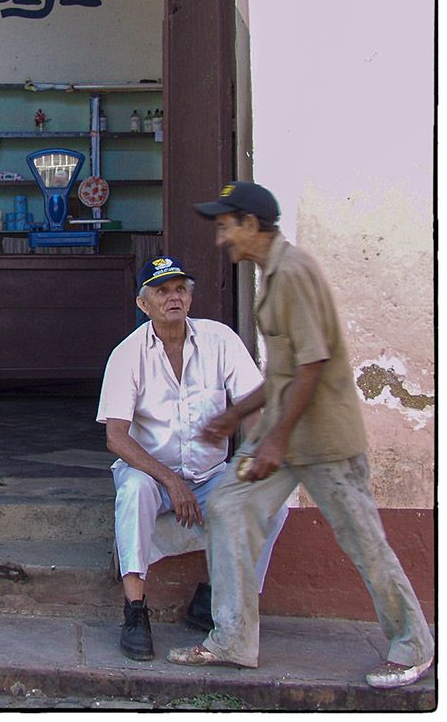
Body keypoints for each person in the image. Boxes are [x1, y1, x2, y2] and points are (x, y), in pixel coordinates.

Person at [167, 181, 434, 689]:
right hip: (283, 436)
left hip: (323, 443)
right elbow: (284, 372)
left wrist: (272, 441)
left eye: (227, 226)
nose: (222, 238)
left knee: (363, 540)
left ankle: (413, 646)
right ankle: (233, 640)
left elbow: (314, 363)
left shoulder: (292, 272)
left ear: (251, 225)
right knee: (227, 508)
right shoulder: (274, 275)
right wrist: (236, 414)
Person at [97, 255, 287, 661]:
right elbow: (116, 437)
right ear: (143, 304)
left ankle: (222, 600)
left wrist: (252, 459)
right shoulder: (127, 355)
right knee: (132, 492)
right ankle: (135, 611)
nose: (173, 297)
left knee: (275, 497)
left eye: (180, 289)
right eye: (161, 291)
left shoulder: (220, 340)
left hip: (210, 475)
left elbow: (251, 406)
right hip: (152, 474)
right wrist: (170, 479)